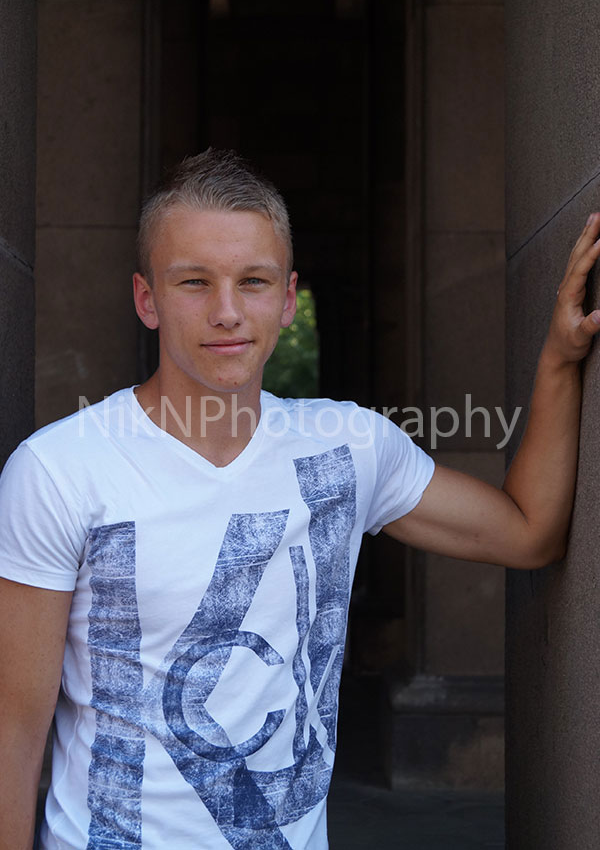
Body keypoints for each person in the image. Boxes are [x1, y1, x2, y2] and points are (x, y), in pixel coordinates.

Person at [0, 148, 598, 850]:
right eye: (194, 282)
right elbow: (14, 730)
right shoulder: (60, 469)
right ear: (147, 299)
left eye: (252, 282)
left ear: (287, 300)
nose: (227, 312)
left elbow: (529, 533)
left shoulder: (348, 448)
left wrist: (559, 361)